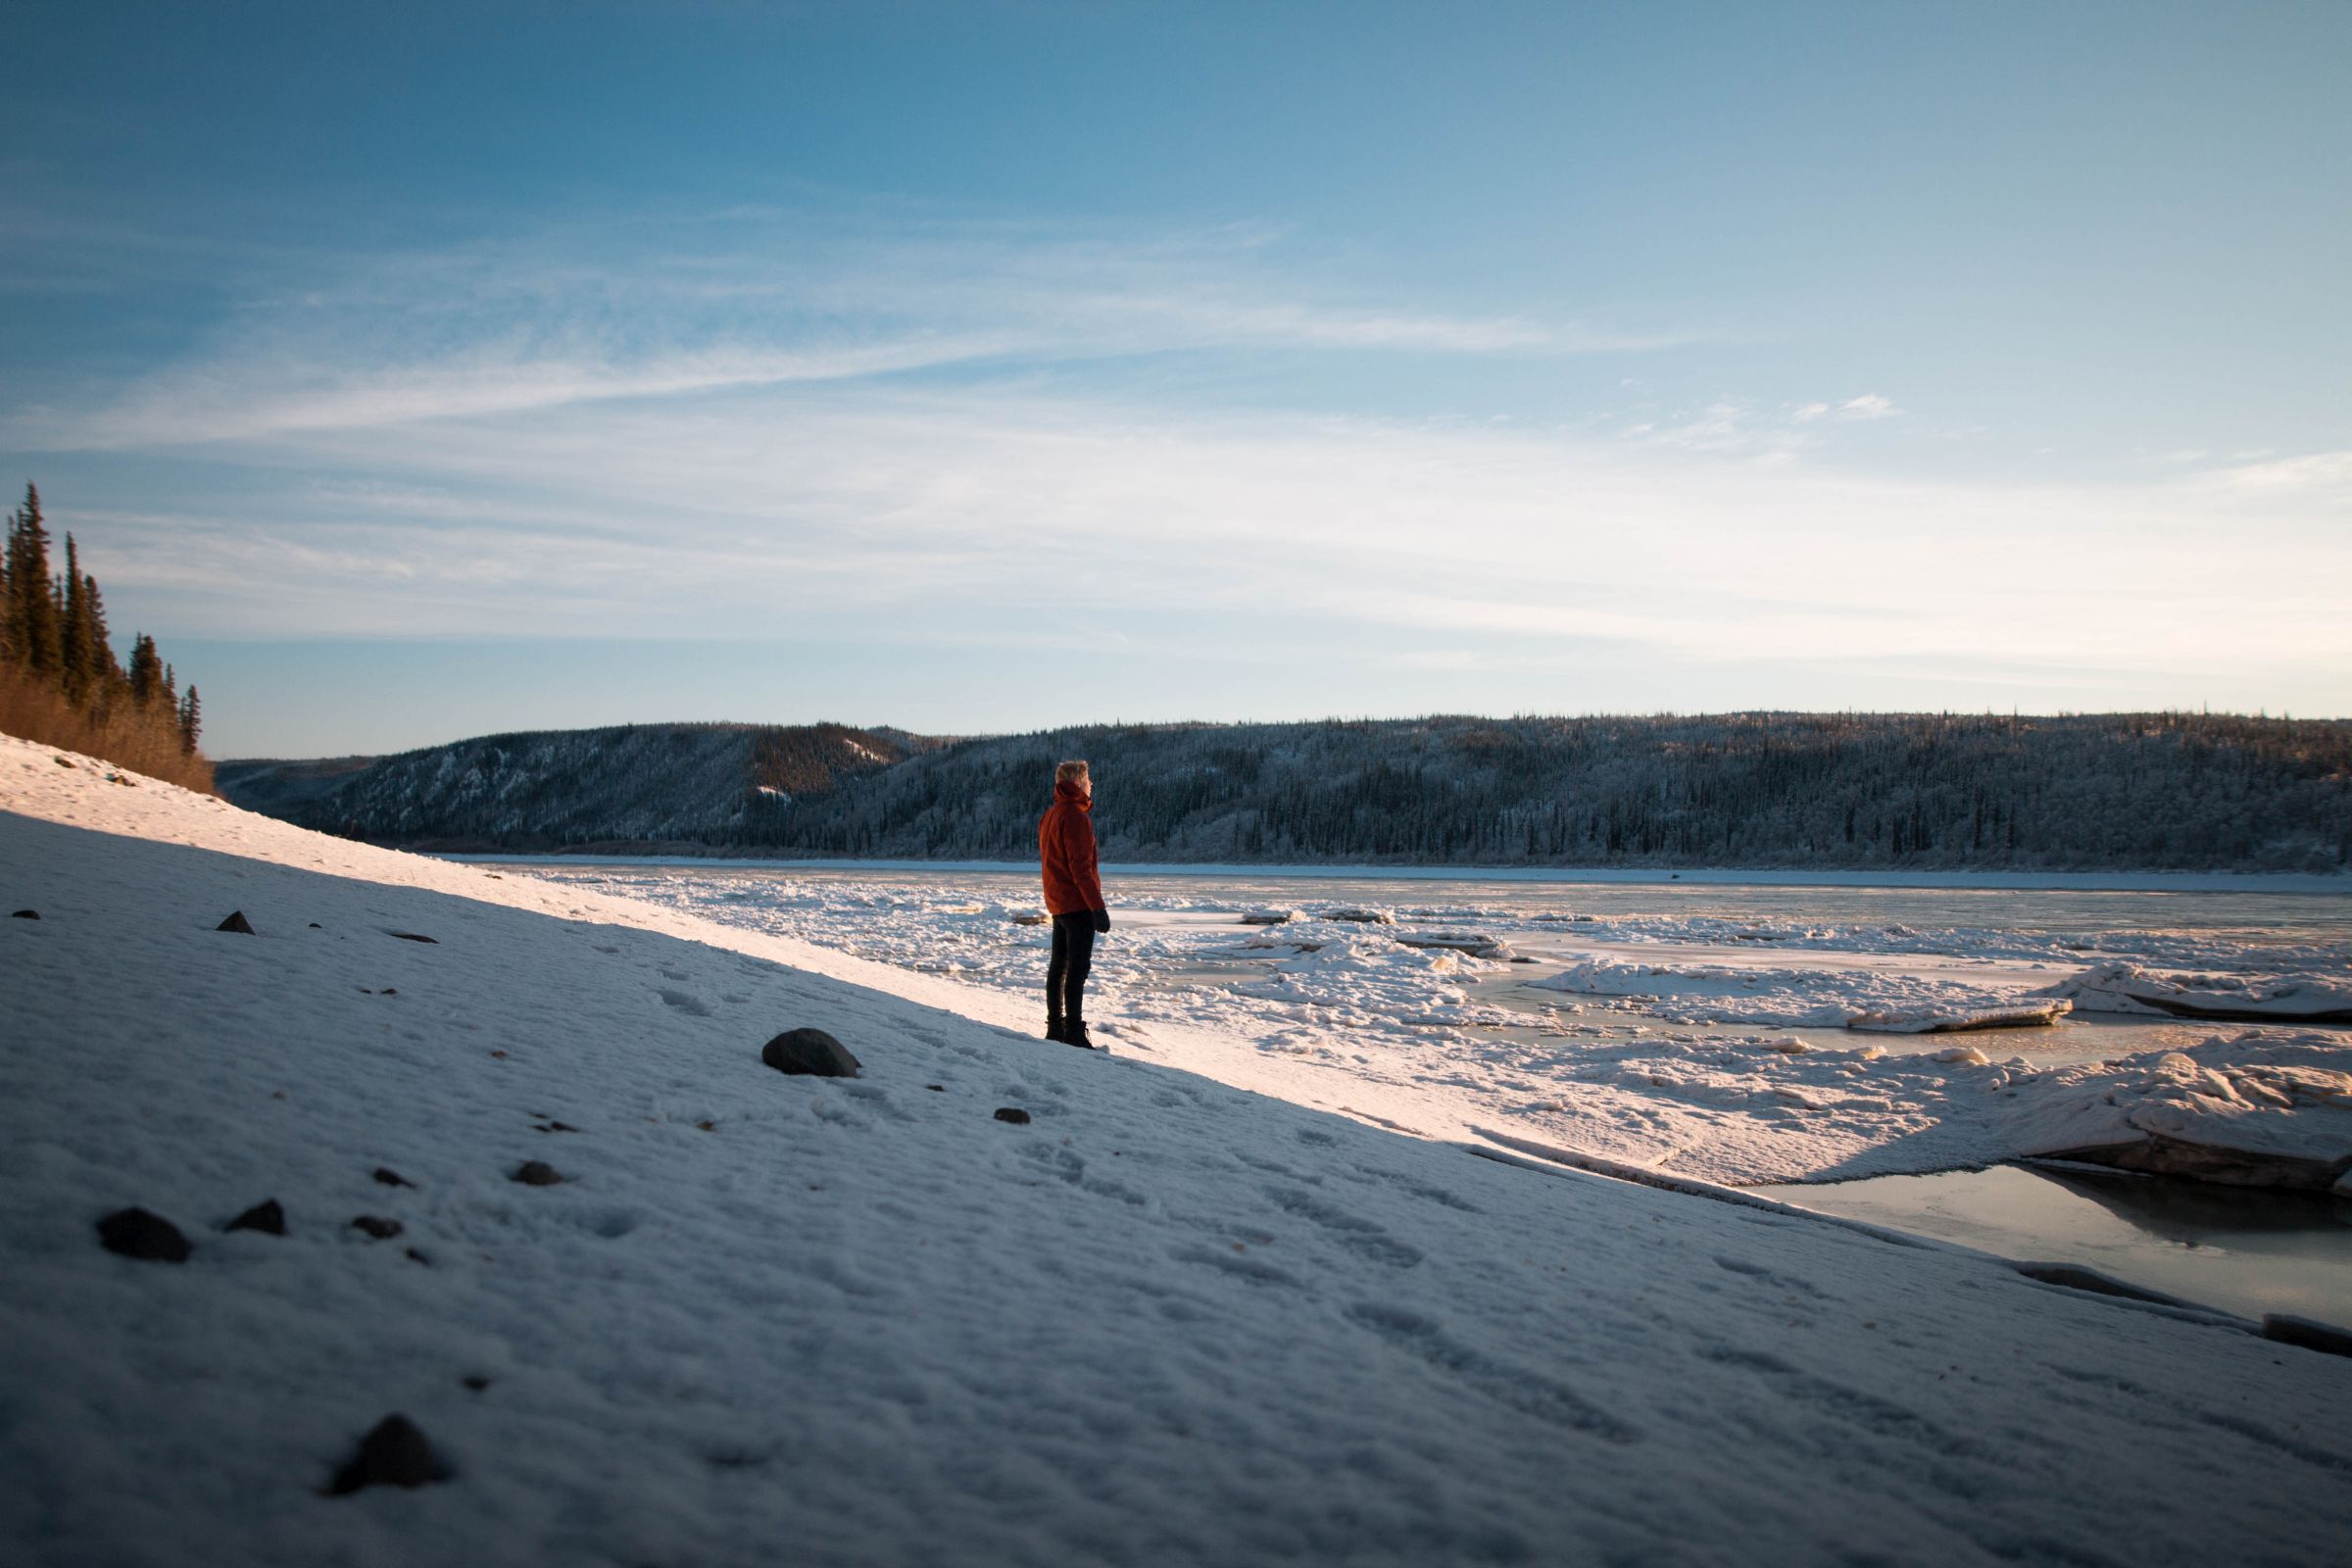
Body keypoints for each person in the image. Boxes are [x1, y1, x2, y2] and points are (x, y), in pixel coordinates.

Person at [1038, 759, 1110, 1049]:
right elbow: (1081, 868)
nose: (1092, 785)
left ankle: (1056, 1027)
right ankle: (1074, 1033)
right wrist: (1097, 907)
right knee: (1077, 969)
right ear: (1079, 782)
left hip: (1057, 901)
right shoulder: (1076, 816)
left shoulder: (1051, 814)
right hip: (1077, 903)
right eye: (1089, 780)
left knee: (1059, 966)